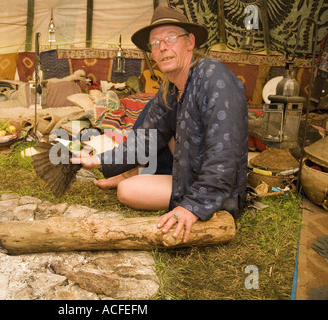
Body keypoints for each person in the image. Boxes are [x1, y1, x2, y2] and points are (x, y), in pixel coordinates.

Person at [72, 6, 248, 243]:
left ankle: (200, 199)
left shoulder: (213, 77)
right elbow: (145, 140)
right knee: (127, 191)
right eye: (155, 43)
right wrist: (99, 161)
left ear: (190, 42)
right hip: (186, 176)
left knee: (138, 185)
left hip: (219, 190)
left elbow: (225, 152)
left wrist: (194, 206)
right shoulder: (170, 88)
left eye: (170, 39)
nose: (162, 47)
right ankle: (128, 176)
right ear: (152, 54)